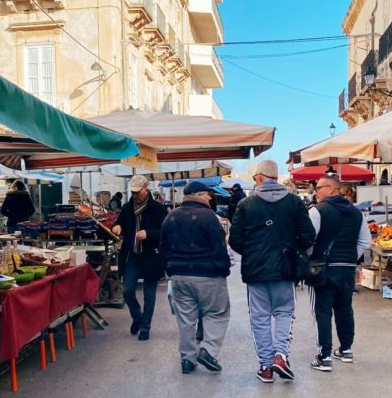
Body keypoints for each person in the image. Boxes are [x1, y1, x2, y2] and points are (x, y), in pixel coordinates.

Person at [229, 159, 316, 383]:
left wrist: (252, 252)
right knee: (285, 312)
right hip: (286, 269)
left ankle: (266, 366)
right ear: (276, 178)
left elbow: (235, 240)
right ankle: (281, 356)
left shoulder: (246, 205)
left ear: (258, 177)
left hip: (256, 270)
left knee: (259, 318)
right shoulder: (295, 202)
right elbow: (308, 236)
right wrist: (293, 249)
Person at [161, 180, 231, 374]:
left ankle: (187, 359)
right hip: (208, 275)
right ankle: (208, 351)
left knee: (185, 319)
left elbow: (164, 247)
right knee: (217, 313)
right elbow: (219, 247)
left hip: (179, 276)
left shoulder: (171, 217)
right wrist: (223, 269)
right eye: (208, 194)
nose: (210, 197)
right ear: (199, 195)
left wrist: (170, 269)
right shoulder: (209, 217)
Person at [308, 177, 372, 371]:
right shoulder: (356, 213)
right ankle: (346, 349)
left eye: (318, 188)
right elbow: (365, 241)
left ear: (331, 189)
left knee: (322, 311)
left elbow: (308, 239)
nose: (315, 192)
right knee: (345, 308)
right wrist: (351, 257)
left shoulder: (317, 211)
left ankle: (324, 356)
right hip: (347, 268)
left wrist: (313, 258)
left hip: (324, 268)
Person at [113, 175, 167, 341]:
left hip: (151, 256)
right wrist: (117, 226)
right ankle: (137, 317)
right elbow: (120, 222)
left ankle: (145, 327)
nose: (135, 195)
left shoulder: (158, 209)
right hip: (133, 255)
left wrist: (149, 233)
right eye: (133, 192)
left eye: (138, 192)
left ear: (146, 188)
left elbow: (165, 232)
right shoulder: (128, 207)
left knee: (149, 295)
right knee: (128, 290)